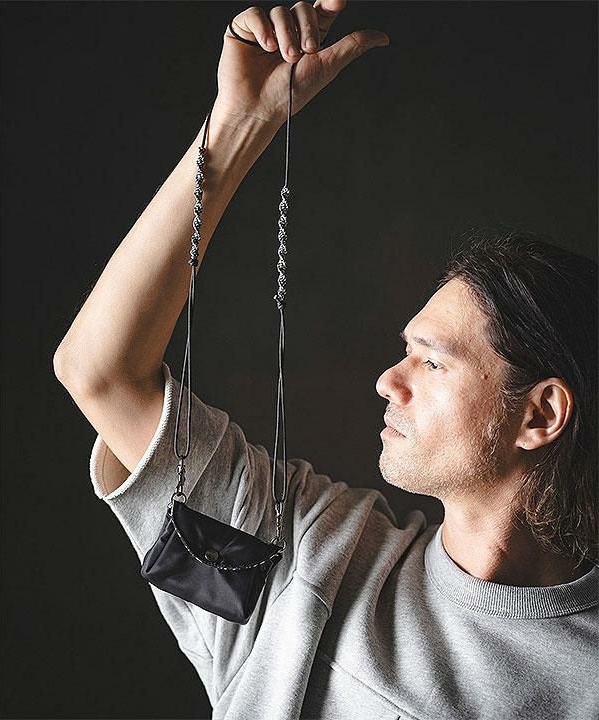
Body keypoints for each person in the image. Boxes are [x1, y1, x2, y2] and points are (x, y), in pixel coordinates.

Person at [53, 2, 598, 719]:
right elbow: (101, 372)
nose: (387, 380)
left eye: (432, 363)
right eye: (404, 352)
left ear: (541, 413)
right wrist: (240, 123)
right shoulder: (305, 558)